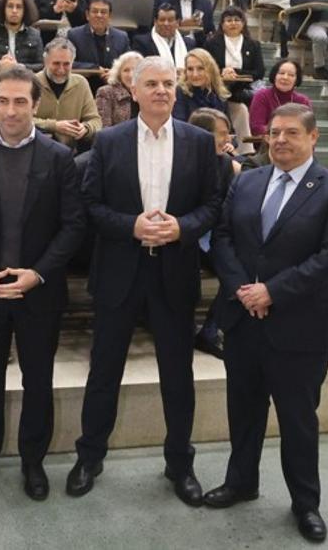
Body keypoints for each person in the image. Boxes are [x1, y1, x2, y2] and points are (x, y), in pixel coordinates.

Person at [67, 56, 220, 503]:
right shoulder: (109, 142)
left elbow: (213, 204)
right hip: (120, 270)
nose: (160, 91)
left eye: (168, 84)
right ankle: (89, 457)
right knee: (104, 372)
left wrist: (182, 228)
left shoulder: (198, 141)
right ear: (133, 91)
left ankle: (180, 464)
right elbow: (90, 204)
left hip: (173, 272)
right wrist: (130, 225)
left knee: (178, 374)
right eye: (151, 83)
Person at [205, 104, 328, 542]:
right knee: (244, 411)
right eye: (273, 132)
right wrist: (242, 290)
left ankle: (305, 504)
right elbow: (222, 238)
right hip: (244, 321)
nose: (279, 141)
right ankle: (241, 482)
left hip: (300, 327)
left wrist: (272, 291)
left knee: (298, 421)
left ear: (313, 138)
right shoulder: (247, 181)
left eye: (291, 133)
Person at [0, 66, 85, 501]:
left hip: (38, 291)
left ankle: (32, 461)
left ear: (35, 104)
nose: (10, 110)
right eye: (3, 100)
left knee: (37, 380)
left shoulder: (59, 157)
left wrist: (38, 273)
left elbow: (73, 226)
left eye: (20, 101)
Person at [33, 38, 103, 149]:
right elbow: (24, 120)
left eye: (66, 64)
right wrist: (54, 126)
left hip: (73, 150)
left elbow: (96, 121)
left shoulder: (81, 83)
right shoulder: (32, 83)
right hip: (39, 148)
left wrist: (85, 128)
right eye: (56, 63)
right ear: (45, 61)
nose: (61, 70)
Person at [67, 0, 130, 74]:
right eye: (95, 11)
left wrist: (113, 74)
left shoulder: (121, 37)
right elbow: (68, 63)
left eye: (103, 12)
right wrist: (95, 69)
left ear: (110, 16)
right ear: (87, 15)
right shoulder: (74, 35)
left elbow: (128, 64)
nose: (99, 15)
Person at [249, 59, 311, 136]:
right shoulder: (262, 96)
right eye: (281, 73)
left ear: (296, 80)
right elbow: (256, 127)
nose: (285, 77)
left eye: (291, 75)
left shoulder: (303, 101)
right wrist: (284, 134)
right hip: (268, 144)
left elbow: (308, 130)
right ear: (274, 76)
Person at [133, 4, 196, 70]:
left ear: (177, 22)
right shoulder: (142, 43)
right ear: (155, 22)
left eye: (170, 20)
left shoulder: (189, 43)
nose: (166, 23)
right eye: (162, 20)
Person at [95, 51, 143, 127]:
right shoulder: (106, 92)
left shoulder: (148, 93)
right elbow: (104, 129)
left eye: (135, 69)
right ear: (119, 74)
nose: (131, 75)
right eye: (126, 70)